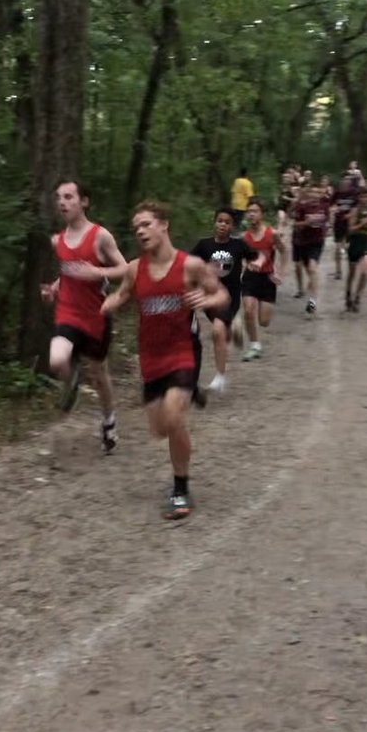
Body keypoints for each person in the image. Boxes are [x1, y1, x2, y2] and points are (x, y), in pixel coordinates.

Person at [101, 201, 228, 520]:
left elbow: (221, 294)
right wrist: (107, 305)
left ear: (163, 225)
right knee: (159, 430)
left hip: (183, 351)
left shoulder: (190, 266)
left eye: (145, 224)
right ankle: (192, 393)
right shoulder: (134, 269)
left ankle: (180, 489)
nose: (140, 231)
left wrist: (207, 298)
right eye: (136, 228)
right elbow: (123, 294)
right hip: (151, 358)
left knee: (173, 418)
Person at [40, 181, 127, 453]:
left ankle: (109, 420)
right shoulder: (58, 240)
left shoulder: (100, 237)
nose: (62, 203)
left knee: (100, 374)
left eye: (68, 197)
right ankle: (73, 382)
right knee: (56, 359)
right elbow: (68, 272)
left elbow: (126, 270)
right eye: (59, 198)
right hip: (68, 310)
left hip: (95, 315)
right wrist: (54, 288)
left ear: (84, 202)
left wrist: (98, 273)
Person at [190, 207, 257, 393]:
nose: (222, 225)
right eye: (219, 220)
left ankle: (220, 377)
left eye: (227, 222)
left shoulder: (238, 245)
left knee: (218, 331)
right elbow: (187, 263)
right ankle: (234, 326)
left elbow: (255, 257)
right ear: (214, 222)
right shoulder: (204, 245)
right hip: (210, 297)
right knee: (222, 332)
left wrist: (255, 264)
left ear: (232, 226)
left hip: (231, 296)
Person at [240, 198, 287, 360]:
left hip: (267, 279)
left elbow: (284, 251)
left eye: (255, 211)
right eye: (249, 211)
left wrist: (279, 272)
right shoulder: (244, 237)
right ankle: (254, 345)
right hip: (250, 278)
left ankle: (256, 341)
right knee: (247, 310)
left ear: (262, 214)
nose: (251, 214)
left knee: (264, 322)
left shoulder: (271, 234)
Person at [292, 178, 330, 315]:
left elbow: (327, 222)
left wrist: (326, 229)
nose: (314, 195)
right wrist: (305, 223)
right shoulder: (303, 207)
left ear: (320, 194)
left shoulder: (324, 207)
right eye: (312, 193)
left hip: (317, 242)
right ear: (308, 194)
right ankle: (311, 289)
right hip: (303, 242)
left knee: (313, 269)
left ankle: (312, 301)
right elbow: (295, 225)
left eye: (317, 192)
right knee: (310, 272)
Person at [345, 184, 367, 313]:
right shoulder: (355, 211)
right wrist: (364, 222)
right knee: (352, 272)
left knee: (365, 272)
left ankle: (357, 298)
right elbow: (351, 229)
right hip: (355, 242)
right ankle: (348, 295)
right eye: (363, 196)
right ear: (359, 197)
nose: (365, 199)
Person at [331, 174, 359, 280]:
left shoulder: (354, 193)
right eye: (344, 181)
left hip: (350, 223)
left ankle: (352, 269)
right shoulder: (337, 193)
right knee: (337, 248)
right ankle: (338, 271)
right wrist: (334, 210)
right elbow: (331, 205)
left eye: (348, 181)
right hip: (339, 222)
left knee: (350, 248)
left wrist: (351, 215)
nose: (345, 183)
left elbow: (357, 207)